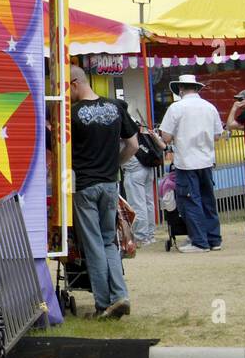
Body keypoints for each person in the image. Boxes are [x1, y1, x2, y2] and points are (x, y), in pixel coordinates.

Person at [69, 66, 138, 318]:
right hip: (111, 183)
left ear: (75, 83)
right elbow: (133, 145)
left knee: (93, 245)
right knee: (109, 242)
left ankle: (103, 304)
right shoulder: (116, 107)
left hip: (85, 186)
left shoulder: (72, 114)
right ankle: (120, 295)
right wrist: (114, 164)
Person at [158, 74, 225, 253]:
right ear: (196, 88)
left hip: (186, 162)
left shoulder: (176, 108)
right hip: (206, 160)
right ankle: (214, 239)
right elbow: (218, 135)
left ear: (181, 89)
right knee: (208, 201)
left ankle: (199, 242)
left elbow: (166, 136)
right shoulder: (210, 107)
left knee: (190, 201)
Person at [122, 113, 162, 246]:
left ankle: (141, 236)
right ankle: (150, 234)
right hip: (147, 165)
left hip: (133, 168)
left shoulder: (121, 122)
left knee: (137, 203)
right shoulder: (134, 119)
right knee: (148, 202)